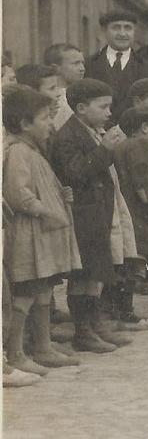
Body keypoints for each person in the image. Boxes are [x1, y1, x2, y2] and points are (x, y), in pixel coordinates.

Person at [49, 78, 134, 352]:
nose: (110, 113)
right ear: (82, 108)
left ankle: (95, 324)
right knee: (83, 274)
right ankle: (83, 331)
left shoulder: (92, 129)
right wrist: (105, 149)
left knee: (97, 271)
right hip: (83, 215)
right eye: (104, 107)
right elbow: (75, 173)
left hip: (98, 213)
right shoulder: (68, 136)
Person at [3, 87, 82, 374]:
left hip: (42, 236)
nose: (51, 124)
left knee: (44, 288)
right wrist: (47, 210)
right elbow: (18, 194)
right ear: (24, 124)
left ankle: (43, 346)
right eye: (46, 118)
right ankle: (15, 352)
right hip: (29, 235)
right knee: (26, 293)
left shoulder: (34, 151)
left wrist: (62, 196)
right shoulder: (18, 153)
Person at [112, 106, 148, 305]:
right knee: (136, 254)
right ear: (144, 128)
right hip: (136, 210)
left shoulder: (123, 145)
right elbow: (142, 180)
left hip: (124, 206)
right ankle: (126, 306)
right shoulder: (140, 146)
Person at [84, 10, 148, 116]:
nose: (122, 33)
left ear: (134, 31)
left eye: (128, 28)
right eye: (116, 28)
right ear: (103, 31)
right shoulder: (88, 64)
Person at [43, 44, 86, 130]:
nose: (82, 68)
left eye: (82, 63)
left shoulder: (81, 94)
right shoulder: (54, 99)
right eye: (76, 63)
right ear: (56, 68)